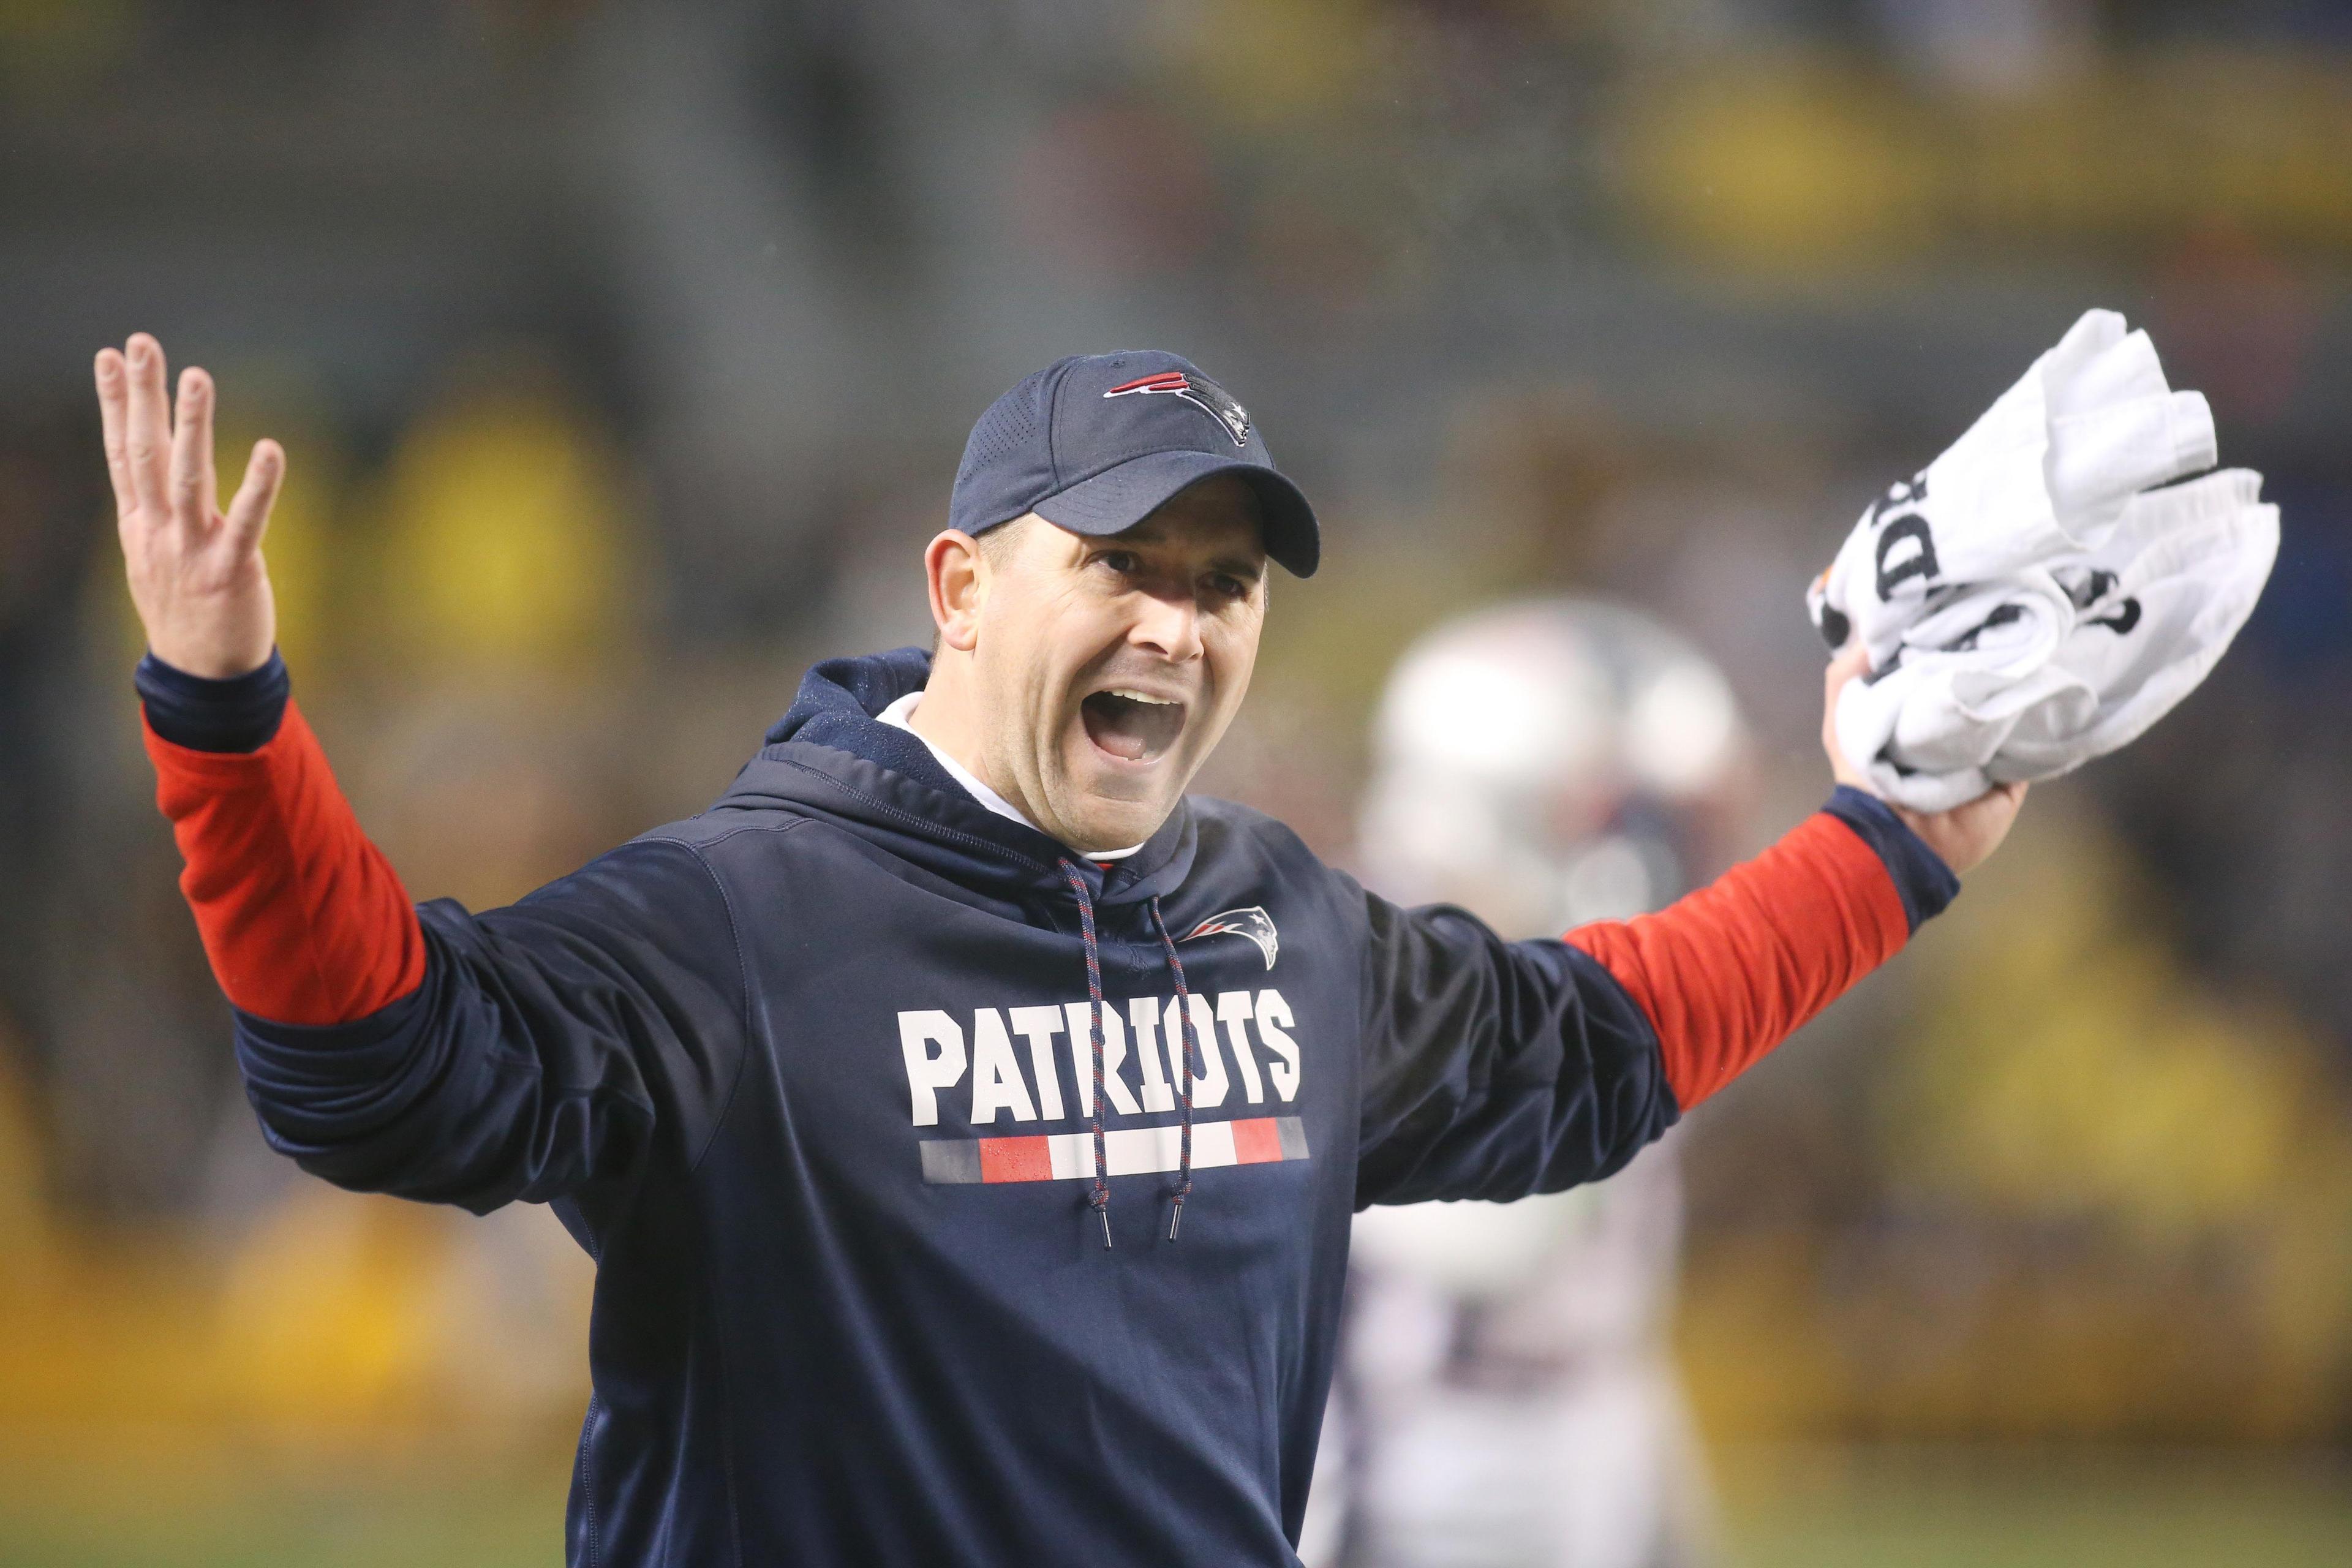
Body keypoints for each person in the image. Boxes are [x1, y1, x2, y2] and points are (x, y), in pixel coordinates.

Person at [96, 333, 2023, 1566]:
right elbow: (379, 1074)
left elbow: (1596, 1046)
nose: (1181, 630)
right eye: (1123, 566)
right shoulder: (739, 927)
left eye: (1224, 587)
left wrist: (1901, 844)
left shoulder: (1280, 931)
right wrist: (225, 710)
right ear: (959, 587)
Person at [1311, 600, 1747, 1568]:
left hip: (1594, 1410)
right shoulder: (1352, 960)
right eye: (1616, 813)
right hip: (1419, 1439)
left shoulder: (1583, 945)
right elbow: (1496, 1240)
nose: (1647, 851)